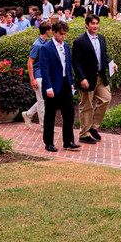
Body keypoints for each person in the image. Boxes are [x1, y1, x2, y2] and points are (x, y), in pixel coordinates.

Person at [38, 21, 80, 152]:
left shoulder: (66, 46)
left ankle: (68, 141)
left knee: (69, 113)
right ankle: (49, 142)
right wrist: (48, 87)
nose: (63, 36)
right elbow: (44, 69)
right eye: (61, 34)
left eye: (64, 34)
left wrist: (71, 83)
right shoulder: (46, 48)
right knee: (50, 115)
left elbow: (68, 66)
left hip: (65, 83)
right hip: (52, 85)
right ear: (54, 32)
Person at [73, 14, 112, 144]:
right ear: (87, 25)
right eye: (93, 23)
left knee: (106, 99)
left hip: (100, 77)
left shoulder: (101, 38)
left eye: (97, 23)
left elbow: (104, 56)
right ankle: (83, 134)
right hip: (87, 79)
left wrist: (111, 62)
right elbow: (76, 63)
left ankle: (93, 126)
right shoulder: (79, 41)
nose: (95, 26)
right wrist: (82, 78)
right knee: (86, 106)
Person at [22, 22, 53, 131]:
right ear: (47, 31)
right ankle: (44, 125)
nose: (52, 32)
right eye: (50, 30)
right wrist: (32, 79)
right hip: (38, 75)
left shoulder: (47, 43)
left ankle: (28, 114)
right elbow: (30, 62)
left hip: (45, 74)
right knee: (42, 101)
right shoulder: (37, 45)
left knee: (43, 99)